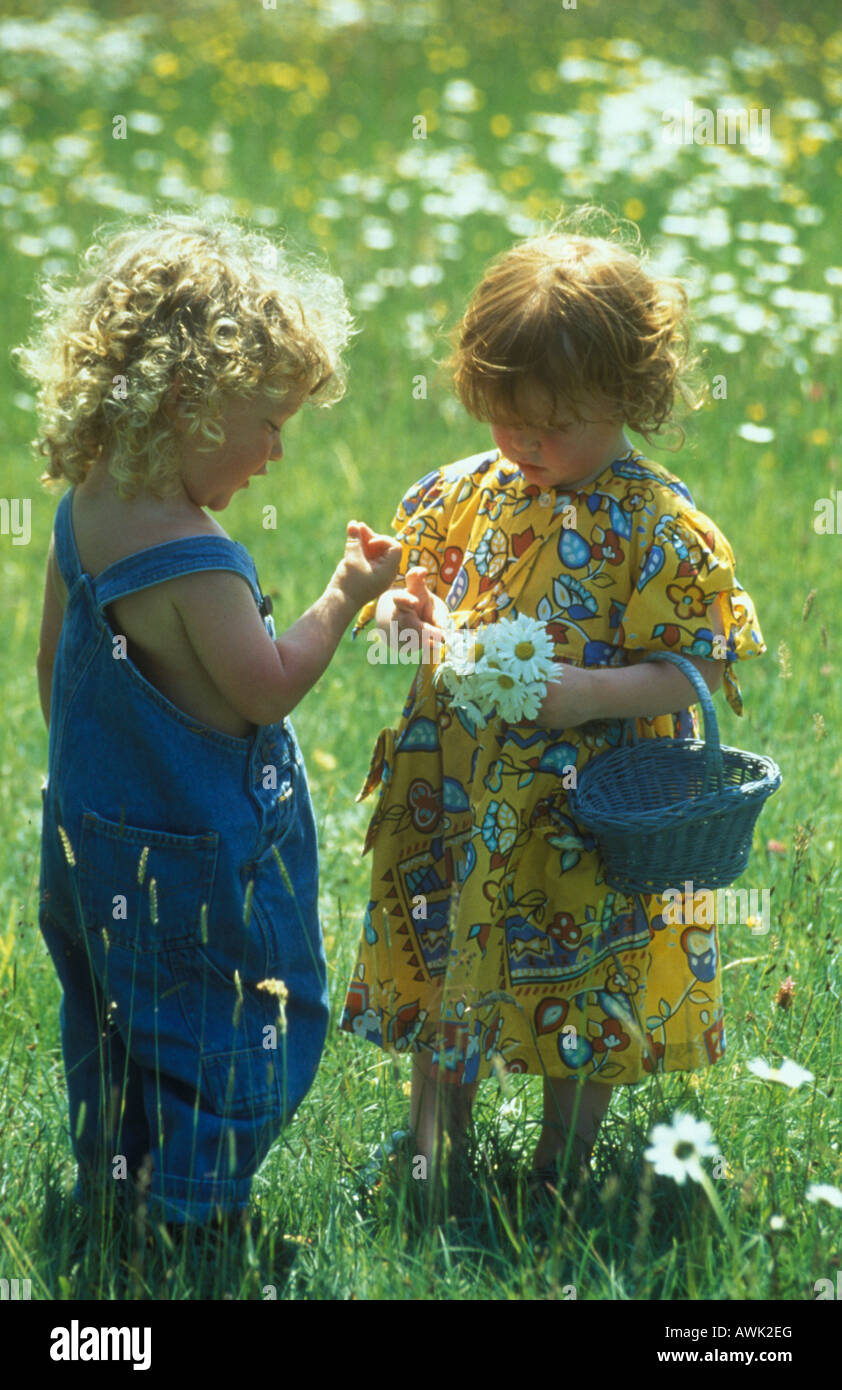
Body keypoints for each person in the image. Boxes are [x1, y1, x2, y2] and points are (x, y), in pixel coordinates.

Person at [339, 213, 766, 1189]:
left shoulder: (656, 528)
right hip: (452, 787)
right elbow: (397, 633)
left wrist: (586, 695)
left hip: (583, 806)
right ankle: (430, 1141)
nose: (526, 441)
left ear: (629, 395)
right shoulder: (456, 497)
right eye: (506, 415)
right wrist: (404, 624)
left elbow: (700, 669)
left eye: (555, 422)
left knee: (589, 975)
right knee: (443, 948)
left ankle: (560, 1164)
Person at [18, 213, 401, 1227]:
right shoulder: (200, 560)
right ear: (188, 403)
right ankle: (190, 1207)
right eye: (267, 420)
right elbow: (266, 687)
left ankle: (121, 1173)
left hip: (90, 837)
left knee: (118, 1013)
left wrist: (97, 791)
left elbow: (53, 664)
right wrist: (345, 595)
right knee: (244, 1015)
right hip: (200, 856)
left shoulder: (84, 508)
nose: (277, 451)